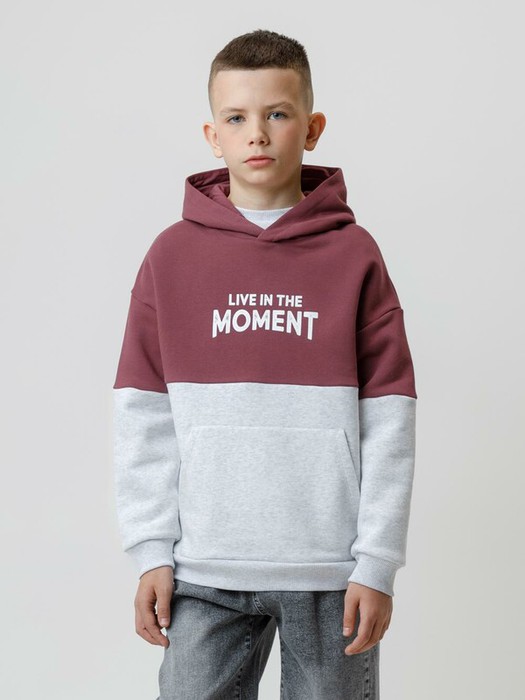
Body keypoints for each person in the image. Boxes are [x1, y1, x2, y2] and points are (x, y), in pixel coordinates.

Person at [112, 28, 417, 700]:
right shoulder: (170, 258)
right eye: (236, 118)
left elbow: (390, 419)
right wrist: (150, 550)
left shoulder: (354, 256)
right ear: (211, 134)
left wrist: (376, 561)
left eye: (277, 114)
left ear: (311, 128)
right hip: (202, 570)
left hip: (329, 571)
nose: (256, 133)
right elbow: (143, 414)